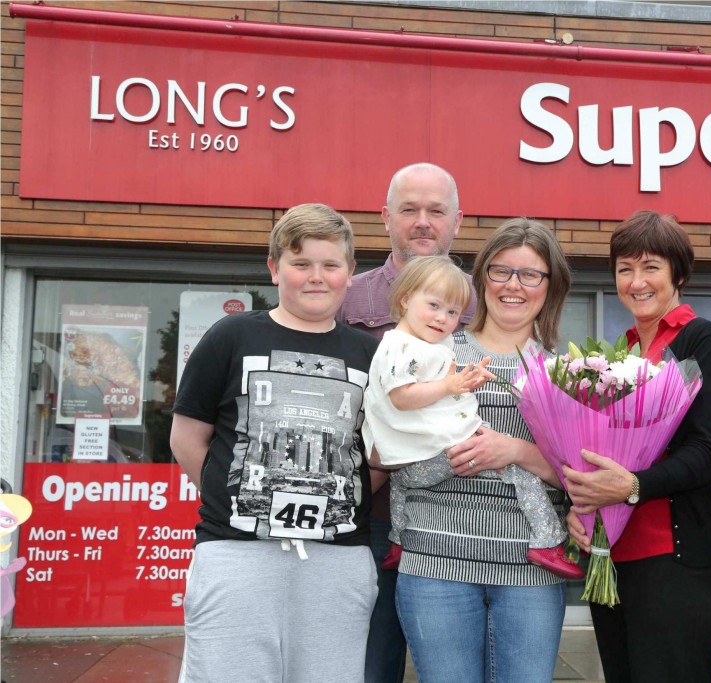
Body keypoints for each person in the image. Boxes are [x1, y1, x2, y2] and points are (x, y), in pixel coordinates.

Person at [170, 204, 379, 682]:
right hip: (236, 553)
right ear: (274, 267)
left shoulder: (371, 354)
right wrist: (237, 495)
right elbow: (186, 439)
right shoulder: (232, 335)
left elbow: (378, 456)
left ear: (350, 272)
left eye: (331, 265)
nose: (316, 277)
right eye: (301, 263)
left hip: (338, 559)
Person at [563, 211, 711, 683]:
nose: (636, 281)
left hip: (675, 568)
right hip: (614, 562)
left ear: (678, 274)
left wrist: (632, 486)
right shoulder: (617, 354)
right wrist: (581, 508)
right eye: (625, 269)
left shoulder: (701, 341)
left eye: (650, 267)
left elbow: (707, 453)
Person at [394, 218, 573, 683]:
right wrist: (442, 455)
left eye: (530, 274)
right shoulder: (431, 351)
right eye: (501, 271)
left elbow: (579, 477)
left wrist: (514, 450)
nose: (514, 285)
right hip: (436, 561)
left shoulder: (568, 373)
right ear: (481, 278)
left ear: (550, 287)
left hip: (530, 569)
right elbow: (388, 440)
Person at [336, 162, 473, 683]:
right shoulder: (348, 298)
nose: (422, 222)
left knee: (456, 667)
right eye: (408, 209)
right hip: (369, 513)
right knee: (369, 662)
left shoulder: (477, 300)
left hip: (460, 515)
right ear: (385, 217)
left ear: (457, 221)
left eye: (435, 211)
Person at [363, 255, 582, 579]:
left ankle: (397, 540)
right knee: (519, 474)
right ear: (406, 299)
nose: (442, 319)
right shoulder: (408, 348)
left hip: (423, 460)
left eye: (452, 312)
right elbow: (403, 395)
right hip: (437, 521)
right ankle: (548, 540)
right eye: (434, 306)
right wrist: (451, 384)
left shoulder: (424, 345)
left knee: (403, 484)